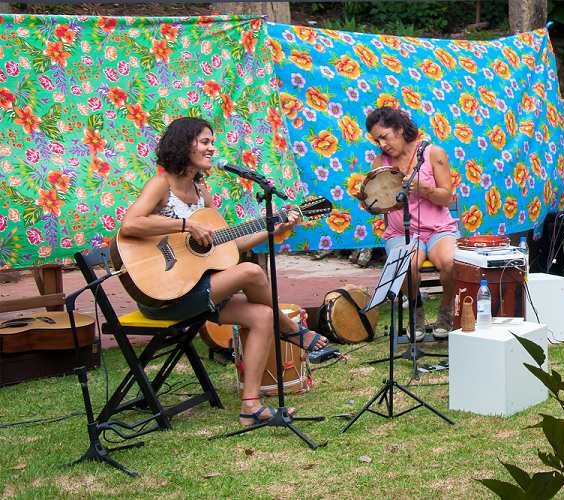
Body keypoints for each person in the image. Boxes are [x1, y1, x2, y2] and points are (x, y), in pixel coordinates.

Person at [119, 116, 327, 426]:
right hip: (163, 294)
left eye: (211, 142)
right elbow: (130, 224)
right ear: (182, 144)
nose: (211, 148)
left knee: (261, 316)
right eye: (204, 142)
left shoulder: (201, 190)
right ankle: (293, 331)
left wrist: (277, 227)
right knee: (252, 273)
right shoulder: (161, 184)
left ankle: (251, 407)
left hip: (197, 286)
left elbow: (231, 241)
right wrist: (185, 225)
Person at [358, 106, 459, 341]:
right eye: (377, 140)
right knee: (407, 265)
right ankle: (416, 309)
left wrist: (423, 189)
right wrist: (371, 203)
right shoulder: (380, 162)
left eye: (384, 137)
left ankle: (446, 311)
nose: (382, 144)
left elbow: (446, 197)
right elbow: (383, 204)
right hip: (400, 231)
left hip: (438, 229)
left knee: (452, 263)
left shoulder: (434, 153)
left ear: (400, 129)